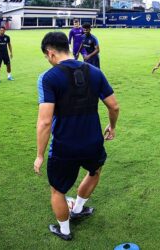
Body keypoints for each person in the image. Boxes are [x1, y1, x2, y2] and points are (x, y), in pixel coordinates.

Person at [34, 32, 119, 240]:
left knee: (57, 190)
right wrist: (112, 127)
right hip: (93, 141)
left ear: (50, 52)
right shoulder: (95, 72)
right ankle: (79, 208)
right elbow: (114, 106)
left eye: (46, 56)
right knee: (94, 171)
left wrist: (39, 155)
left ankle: (65, 230)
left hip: (65, 146)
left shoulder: (48, 78)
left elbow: (45, 121)